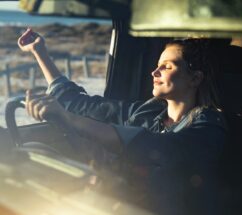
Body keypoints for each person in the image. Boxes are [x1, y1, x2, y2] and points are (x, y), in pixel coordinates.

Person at [18, 28, 229, 214]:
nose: (154, 72)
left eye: (167, 66)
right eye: (157, 65)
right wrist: (40, 53)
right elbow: (82, 104)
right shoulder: (145, 113)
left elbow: (158, 148)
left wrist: (72, 121)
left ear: (195, 78)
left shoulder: (209, 126)